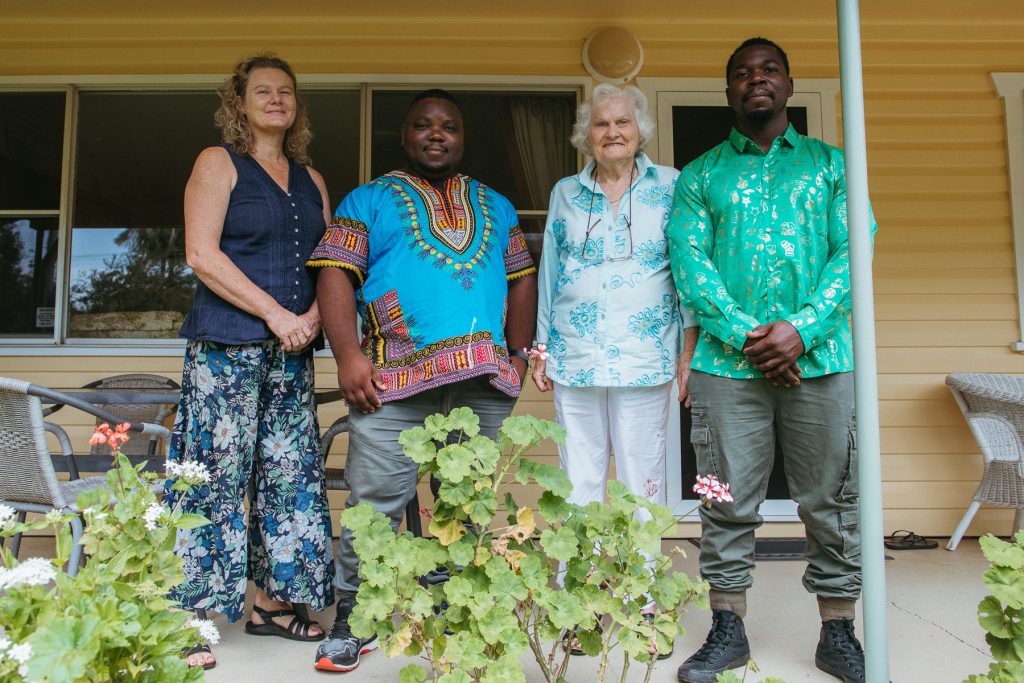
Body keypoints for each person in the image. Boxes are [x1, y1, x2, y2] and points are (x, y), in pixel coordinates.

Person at [667, 37, 878, 683]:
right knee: (723, 497)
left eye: (768, 70)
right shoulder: (701, 175)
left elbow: (855, 250)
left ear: (788, 83)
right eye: (742, 73)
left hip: (824, 364)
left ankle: (838, 630)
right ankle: (727, 627)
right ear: (728, 90)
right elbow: (690, 265)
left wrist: (803, 331)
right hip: (728, 371)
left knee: (834, 499)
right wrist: (756, 339)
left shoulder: (834, 166)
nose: (756, 80)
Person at [307, 89, 537, 673]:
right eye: (424, 126)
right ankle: (353, 618)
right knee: (375, 501)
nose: (437, 135)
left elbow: (521, 279)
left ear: (463, 138)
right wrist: (348, 357)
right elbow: (336, 274)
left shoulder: (497, 205)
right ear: (404, 135)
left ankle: (461, 607)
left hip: (483, 381)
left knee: (468, 503)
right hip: (390, 380)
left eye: (449, 127)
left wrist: (518, 352)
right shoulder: (370, 201)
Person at [166, 54, 335, 671]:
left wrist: (314, 316)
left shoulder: (312, 179)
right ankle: (188, 617)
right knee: (211, 478)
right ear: (238, 103)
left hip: (291, 354)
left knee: (287, 478)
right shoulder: (217, 163)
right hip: (226, 351)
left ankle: (269, 603)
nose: (276, 100)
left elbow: (328, 260)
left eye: (286, 92)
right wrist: (278, 316)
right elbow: (201, 254)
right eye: (262, 91)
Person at [532, 83, 698, 657]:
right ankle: (576, 604)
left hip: (645, 359)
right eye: (601, 124)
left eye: (622, 122)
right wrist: (541, 346)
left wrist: (688, 350)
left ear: (640, 128)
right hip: (576, 356)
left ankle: (641, 607)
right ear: (587, 135)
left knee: (640, 486)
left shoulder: (673, 188)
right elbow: (552, 268)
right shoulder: (565, 193)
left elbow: (688, 273)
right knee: (578, 484)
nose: (612, 132)